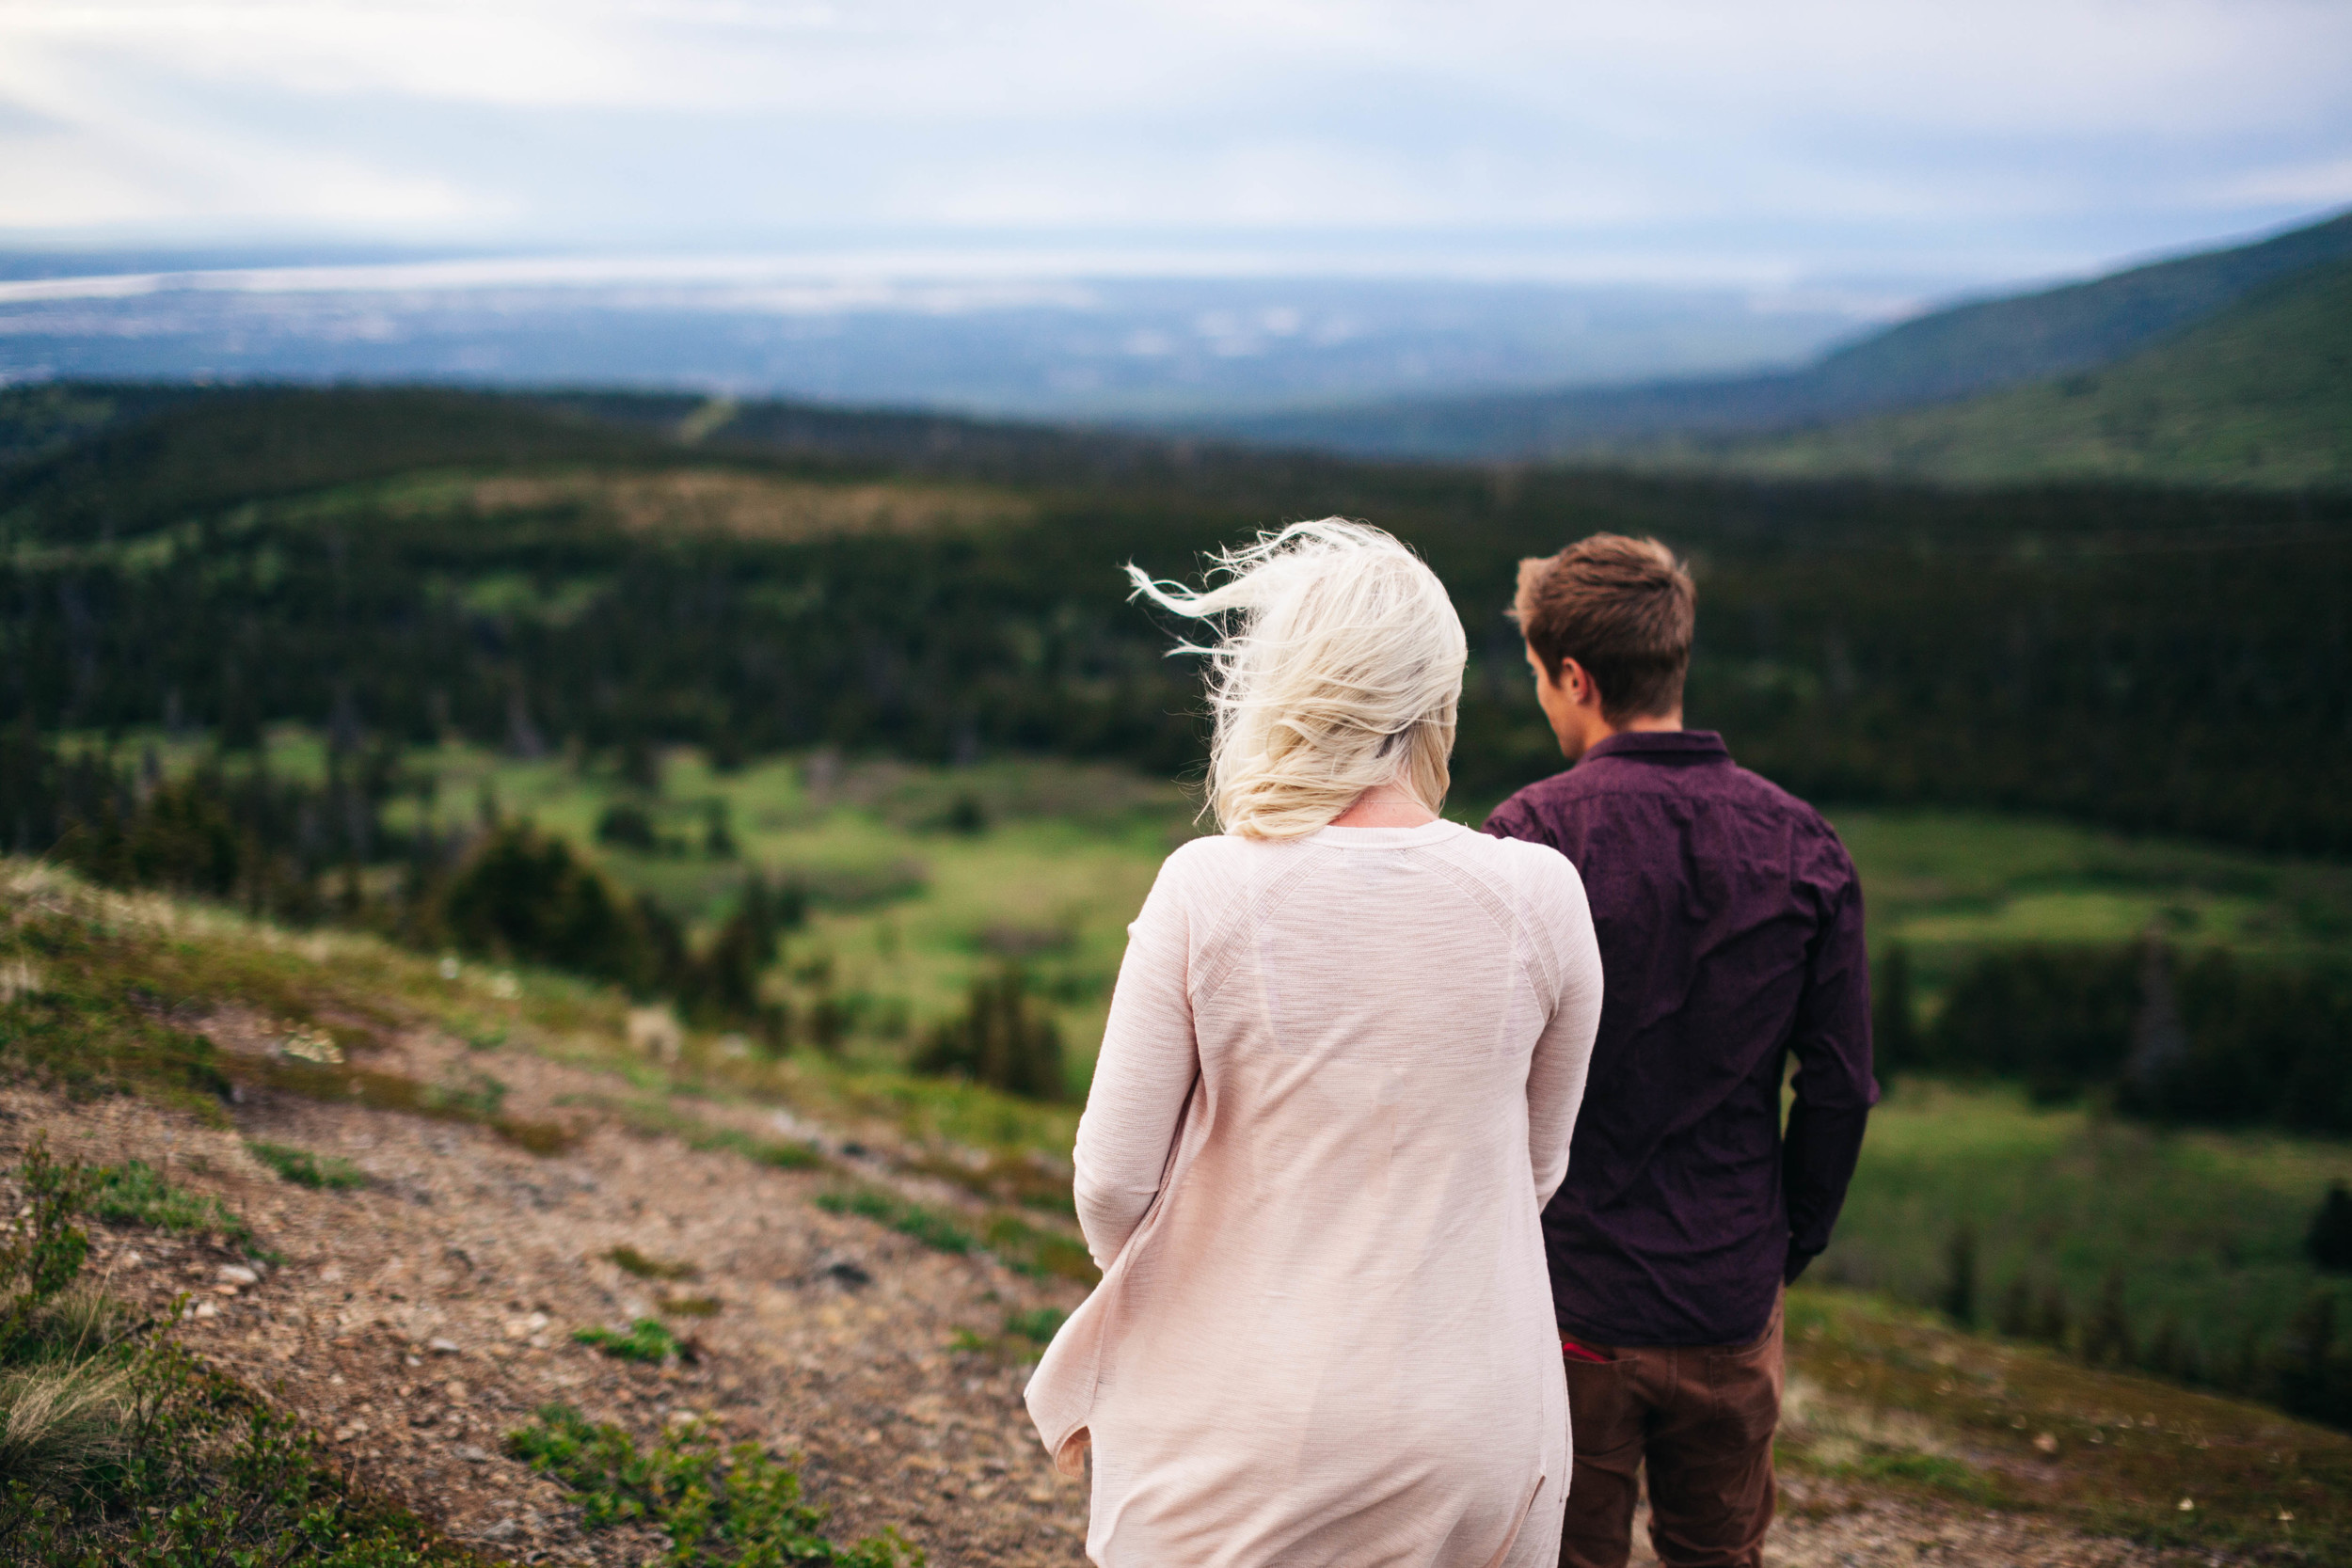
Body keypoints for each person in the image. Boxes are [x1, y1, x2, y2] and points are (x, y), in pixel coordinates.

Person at [1026, 519, 1606, 1567]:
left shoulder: (1205, 886)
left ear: (1281, 692)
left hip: (1240, 1419)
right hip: (1476, 1418)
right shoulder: (1541, 894)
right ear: (1439, 699)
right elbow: (1533, 1168)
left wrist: (1203, 1278)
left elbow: (1112, 1185)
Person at [1482, 534, 1876, 1568]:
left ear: (1575, 675)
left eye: (1536, 677)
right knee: (1719, 1553)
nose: (1542, 699)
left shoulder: (1528, 837)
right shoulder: (1806, 845)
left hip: (1569, 1303)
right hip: (1728, 1295)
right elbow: (1838, 1087)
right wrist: (1784, 1243)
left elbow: (1479, 1068)